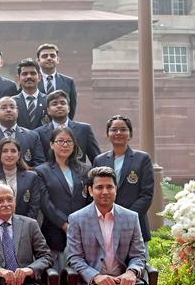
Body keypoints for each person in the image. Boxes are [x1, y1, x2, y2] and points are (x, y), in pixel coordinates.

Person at [93, 115, 155, 251]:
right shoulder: (99, 160)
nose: (118, 133)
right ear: (108, 134)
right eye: (114, 130)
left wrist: (125, 218)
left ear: (130, 134)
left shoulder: (142, 159)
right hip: (105, 225)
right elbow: (95, 192)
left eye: (123, 129)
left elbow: (146, 195)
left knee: (137, 268)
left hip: (134, 225)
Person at [35, 127, 90, 269]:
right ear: (52, 145)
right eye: (60, 141)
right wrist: (64, 225)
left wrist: (79, 225)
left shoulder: (85, 170)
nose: (65, 145)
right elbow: (45, 203)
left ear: (74, 145)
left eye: (69, 141)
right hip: (54, 231)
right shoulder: (42, 171)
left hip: (83, 230)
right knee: (57, 276)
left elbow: (90, 199)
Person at [0, 96, 45, 171]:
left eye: (12, 107)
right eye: (3, 108)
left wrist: (25, 178)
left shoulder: (32, 136)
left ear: (17, 112)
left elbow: (39, 164)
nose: (8, 110)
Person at [34, 90, 100, 165]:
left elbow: (96, 158)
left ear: (68, 108)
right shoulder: (38, 133)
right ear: (48, 110)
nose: (59, 106)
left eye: (63, 103)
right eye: (54, 104)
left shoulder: (84, 129)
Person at [0, 137, 43, 220]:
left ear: (19, 155)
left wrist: (23, 227)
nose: (9, 154)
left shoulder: (32, 177)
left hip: (25, 226)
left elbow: (34, 208)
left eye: (13, 151)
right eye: (5, 151)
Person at [36, 43, 77, 119]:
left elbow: (72, 108)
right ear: (38, 61)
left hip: (61, 127)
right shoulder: (31, 81)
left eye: (52, 56)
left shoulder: (68, 82)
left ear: (57, 60)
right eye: (45, 56)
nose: (49, 58)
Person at [13, 59, 47, 131]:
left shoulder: (48, 101)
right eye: (25, 74)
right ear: (18, 78)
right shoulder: (12, 102)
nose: (29, 76)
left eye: (33, 73)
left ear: (39, 77)